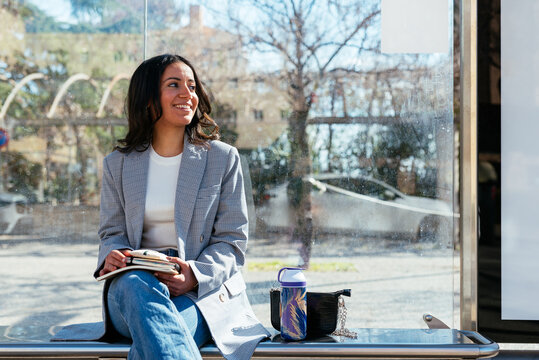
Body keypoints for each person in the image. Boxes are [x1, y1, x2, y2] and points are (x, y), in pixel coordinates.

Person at [95, 54, 270, 360]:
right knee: (137, 287)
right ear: (148, 97)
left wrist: (195, 275)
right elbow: (112, 233)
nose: (187, 94)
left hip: (202, 290)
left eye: (191, 86)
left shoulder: (222, 158)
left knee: (159, 338)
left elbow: (232, 240)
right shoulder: (117, 165)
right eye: (173, 84)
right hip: (134, 287)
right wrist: (113, 255)